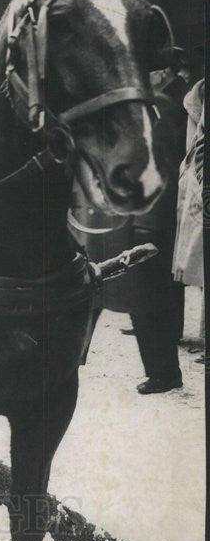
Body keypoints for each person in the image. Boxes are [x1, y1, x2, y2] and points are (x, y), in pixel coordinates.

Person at [71, 68, 188, 394]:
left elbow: (160, 168)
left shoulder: (157, 108)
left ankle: (165, 373)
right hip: (105, 218)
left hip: (136, 221)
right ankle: (69, 362)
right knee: (87, 291)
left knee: (147, 303)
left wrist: (149, 222)